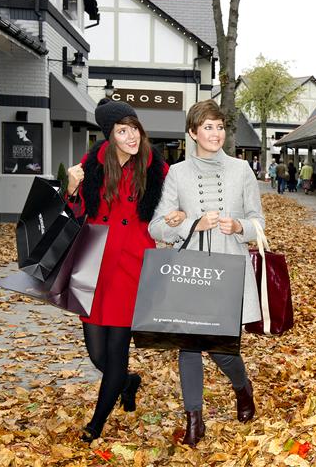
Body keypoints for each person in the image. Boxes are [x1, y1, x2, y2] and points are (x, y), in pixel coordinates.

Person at [148, 100, 263, 447]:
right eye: (207, 127)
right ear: (192, 132)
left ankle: (242, 387)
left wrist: (239, 226)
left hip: (229, 271)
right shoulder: (177, 173)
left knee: (222, 349)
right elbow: (156, 227)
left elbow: (259, 226)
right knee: (189, 346)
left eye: (219, 127)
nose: (215, 133)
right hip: (189, 272)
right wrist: (191, 225)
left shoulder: (242, 170)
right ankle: (194, 421)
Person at [65, 99, 169, 442]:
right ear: (109, 135)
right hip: (94, 266)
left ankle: (95, 425)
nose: (131, 136)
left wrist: (180, 216)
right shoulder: (91, 164)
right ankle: (128, 382)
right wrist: (71, 189)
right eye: (122, 130)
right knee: (97, 354)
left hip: (132, 268)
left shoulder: (156, 168)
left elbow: (174, 204)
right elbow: (76, 214)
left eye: (134, 128)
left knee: (116, 353)